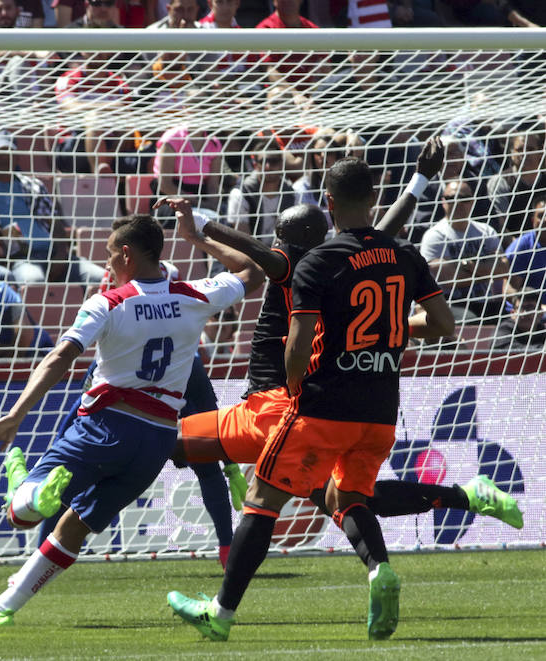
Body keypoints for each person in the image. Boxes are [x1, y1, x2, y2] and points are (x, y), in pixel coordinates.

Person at [165, 142, 521, 642]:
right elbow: (437, 314)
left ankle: (218, 611)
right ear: (368, 197)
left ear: (327, 203)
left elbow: (270, 288)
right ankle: (404, 548)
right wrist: (419, 181)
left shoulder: (304, 264)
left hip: (292, 406)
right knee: (347, 497)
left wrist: (200, 226)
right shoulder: (394, 253)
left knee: (178, 450)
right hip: (377, 408)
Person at [0, 214, 253, 626]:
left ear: (126, 254)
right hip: (158, 441)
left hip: (106, 425)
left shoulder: (108, 302)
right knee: (75, 528)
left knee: (22, 513)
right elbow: (252, 270)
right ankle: (1, 608)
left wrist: (15, 414)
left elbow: (60, 356)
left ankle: (34, 493)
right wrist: (197, 236)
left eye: (110, 256)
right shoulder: (195, 294)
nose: (107, 264)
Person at [0, 131, 104, 286]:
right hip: (17, 260)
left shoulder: (34, 185)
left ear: (17, 157)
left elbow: (55, 224)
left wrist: (60, 255)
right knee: (34, 283)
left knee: (102, 278)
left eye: (9, 152)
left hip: (51, 253)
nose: (4, 157)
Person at [419, 179, 509, 322]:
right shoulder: (434, 236)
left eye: (464, 199)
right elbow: (446, 278)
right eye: (451, 198)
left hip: (486, 301)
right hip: (450, 303)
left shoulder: (486, 231)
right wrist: (486, 272)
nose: (457, 203)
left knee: (509, 320)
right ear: (443, 202)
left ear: (472, 201)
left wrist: (468, 266)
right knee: (471, 320)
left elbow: (503, 268)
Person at [226, 138, 296, 245]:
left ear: (281, 164)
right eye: (262, 162)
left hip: (282, 253)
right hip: (251, 253)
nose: (267, 166)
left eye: (273, 161)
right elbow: (244, 241)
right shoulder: (240, 194)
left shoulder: (292, 193)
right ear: (255, 165)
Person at [504, 195, 546, 305]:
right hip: (530, 315)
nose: (545, 220)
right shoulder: (521, 247)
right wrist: (535, 309)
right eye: (541, 216)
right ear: (533, 221)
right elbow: (509, 290)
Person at [493, 287, 546, 352]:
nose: (526, 313)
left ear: (540, 314)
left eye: (531, 308)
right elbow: (506, 349)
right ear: (513, 313)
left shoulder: (542, 331)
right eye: (521, 308)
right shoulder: (504, 329)